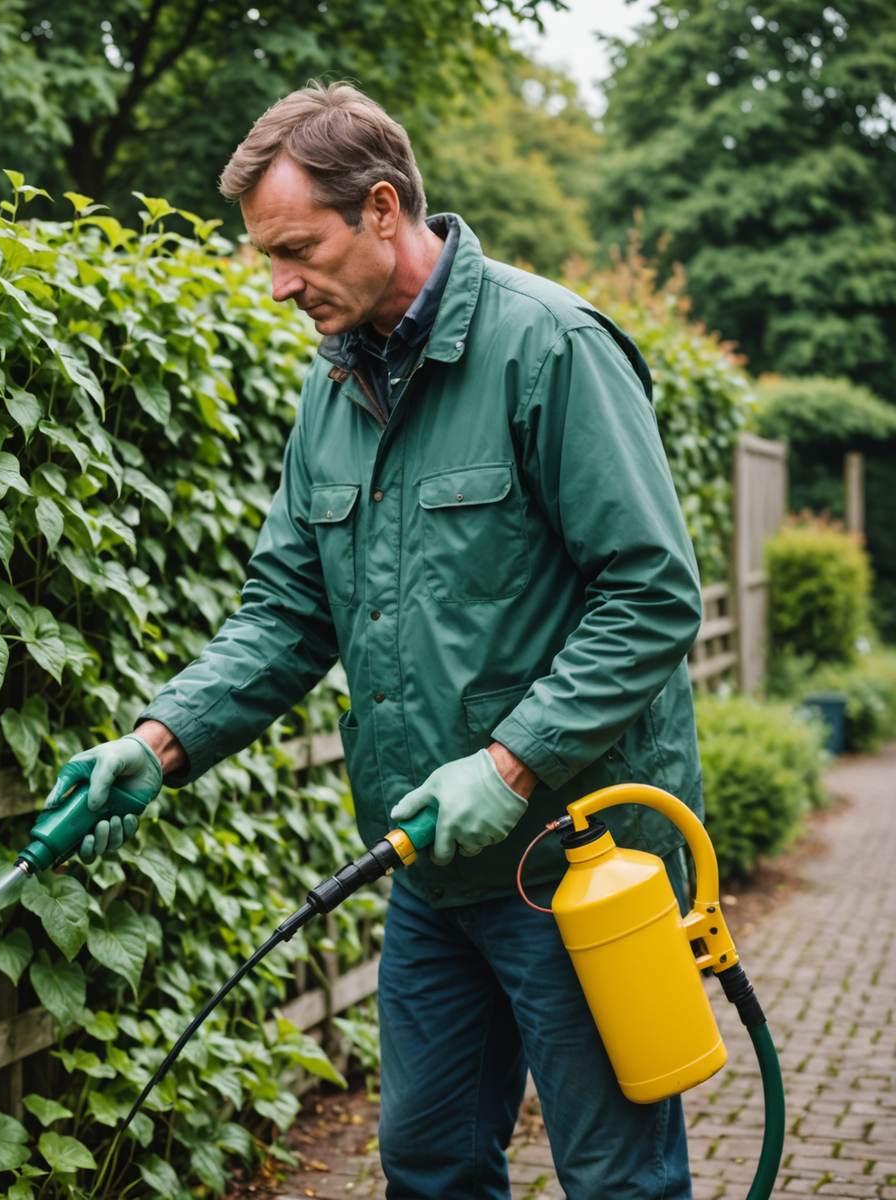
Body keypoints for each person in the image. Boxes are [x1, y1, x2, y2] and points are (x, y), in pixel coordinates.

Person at [47, 82, 703, 1199]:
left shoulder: (549, 349)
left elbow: (650, 593)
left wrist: (513, 761)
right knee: (429, 1165)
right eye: (268, 256)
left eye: (297, 249)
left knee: (616, 1179)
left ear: (385, 210)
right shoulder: (334, 391)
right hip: (435, 875)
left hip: (583, 860)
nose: (280, 284)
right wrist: (156, 745)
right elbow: (284, 615)